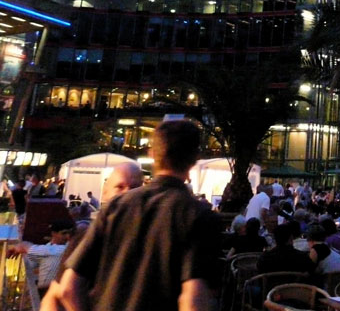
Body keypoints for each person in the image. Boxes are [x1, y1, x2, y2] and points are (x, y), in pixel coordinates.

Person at [59, 119, 220, 311]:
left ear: (152, 155)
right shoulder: (198, 215)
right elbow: (193, 299)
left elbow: (68, 287)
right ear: (195, 158)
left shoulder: (116, 206)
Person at [13, 220, 75, 294]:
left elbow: (26, 247)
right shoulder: (47, 249)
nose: (67, 236)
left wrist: (20, 246)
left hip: (56, 292)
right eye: (64, 233)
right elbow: (32, 265)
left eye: (69, 233)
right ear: (54, 233)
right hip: (46, 291)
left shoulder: (63, 249)